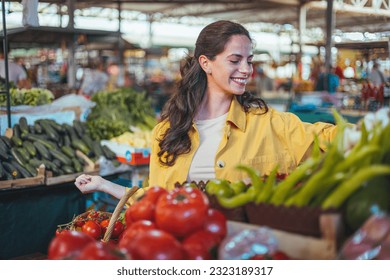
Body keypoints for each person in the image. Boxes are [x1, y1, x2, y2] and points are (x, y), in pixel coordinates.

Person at [75, 20, 337, 200]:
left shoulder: (267, 122)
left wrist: (367, 132)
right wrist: (104, 185)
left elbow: (325, 137)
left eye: (249, 60)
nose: (246, 69)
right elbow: (157, 200)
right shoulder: (166, 133)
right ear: (206, 63)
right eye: (235, 60)